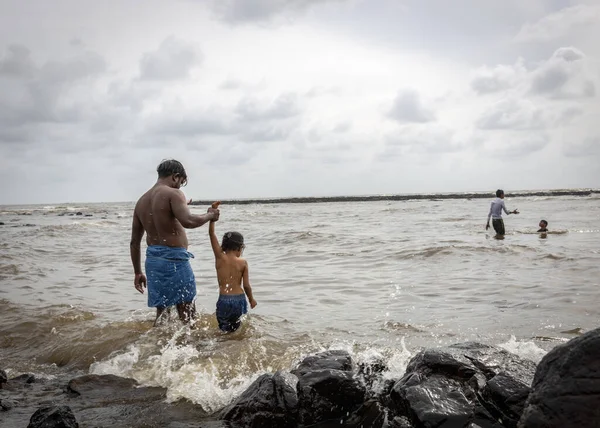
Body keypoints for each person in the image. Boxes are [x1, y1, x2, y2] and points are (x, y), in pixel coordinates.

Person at [130, 159, 220, 326]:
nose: (180, 187)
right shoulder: (174, 193)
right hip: (175, 260)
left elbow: (134, 242)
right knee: (187, 313)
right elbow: (189, 221)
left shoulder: (141, 201)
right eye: (181, 182)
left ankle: (156, 346)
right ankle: (192, 348)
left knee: (162, 314)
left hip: (153, 262)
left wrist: (137, 272)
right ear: (175, 176)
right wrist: (210, 215)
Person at [208, 202, 257, 333]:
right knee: (239, 330)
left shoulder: (220, 257)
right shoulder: (243, 262)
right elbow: (246, 286)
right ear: (240, 247)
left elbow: (212, 234)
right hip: (239, 299)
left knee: (223, 331)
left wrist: (213, 214)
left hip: (224, 299)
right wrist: (251, 299)